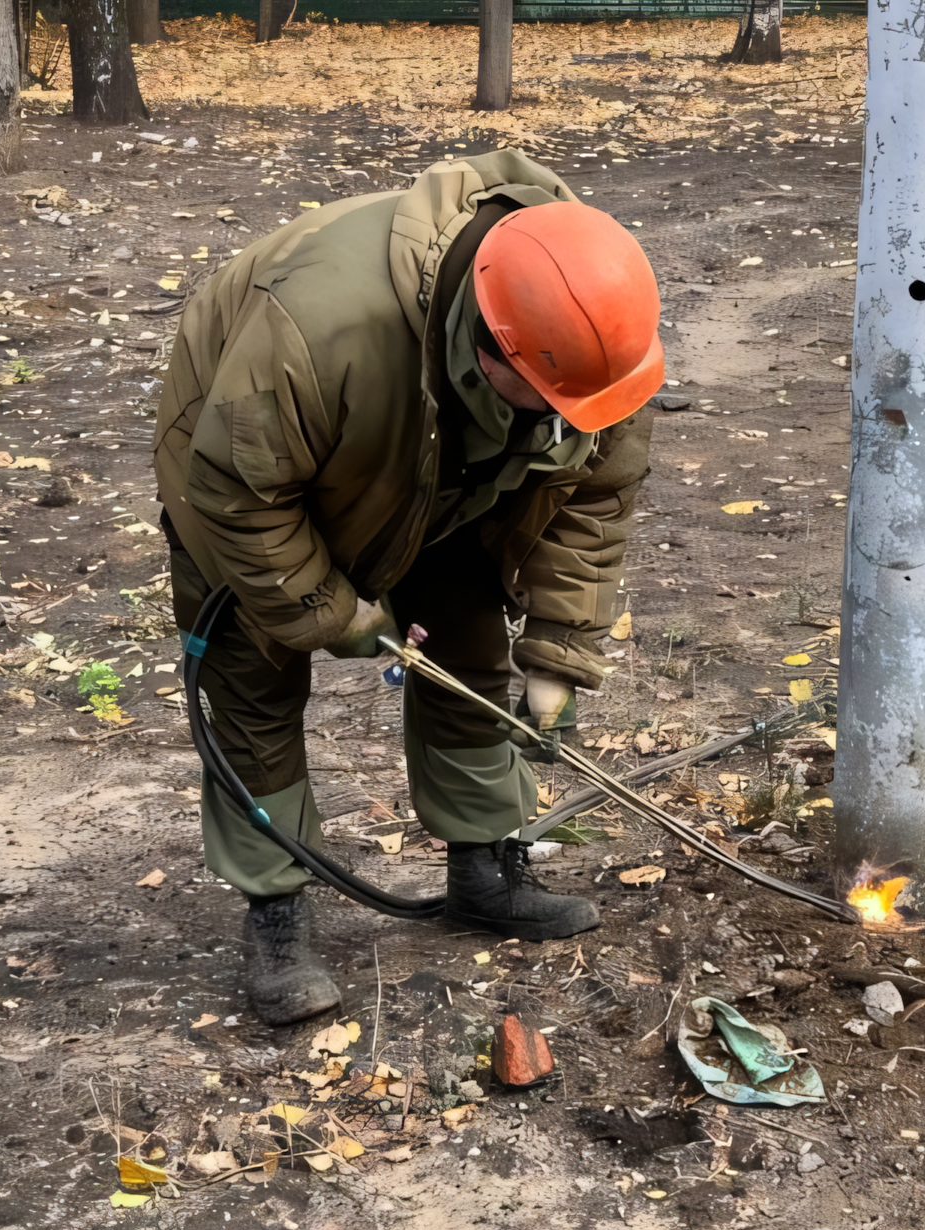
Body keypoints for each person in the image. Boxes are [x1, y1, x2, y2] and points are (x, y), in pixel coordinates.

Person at [153, 150, 663, 1024]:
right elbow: (235, 492)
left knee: (467, 649)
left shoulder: (594, 338)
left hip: (446, 472)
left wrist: (561, 651)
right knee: (256, 676)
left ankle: (485, 870)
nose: (564, 422)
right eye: (543, 402)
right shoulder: (319, 327)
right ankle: (276, 912)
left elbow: (595, 497)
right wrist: (331, 611)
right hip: (246, 467)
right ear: (488, 342)